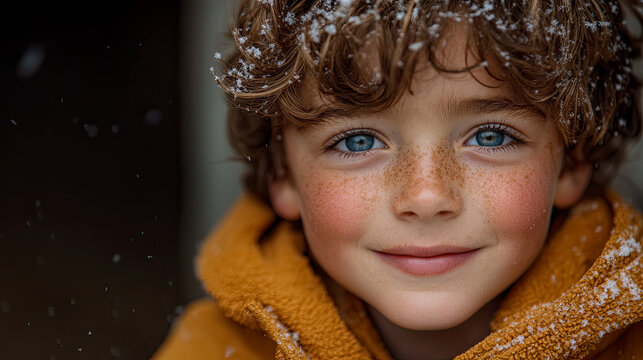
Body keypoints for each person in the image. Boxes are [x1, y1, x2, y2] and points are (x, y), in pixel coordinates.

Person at [154, 0, 643, 358]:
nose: (427, 197)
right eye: (358, 142)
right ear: (282, 171)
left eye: (491, 137)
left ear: (574, 158)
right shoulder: (215, 349)